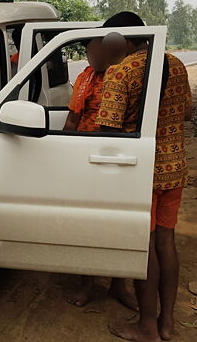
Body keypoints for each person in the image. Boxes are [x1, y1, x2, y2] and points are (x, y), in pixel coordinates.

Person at [95, 12, 193, 342]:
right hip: (174, 168)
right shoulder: (176, 64)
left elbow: (106, 132)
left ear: (120, 41)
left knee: (143, 246)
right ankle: (167, 323)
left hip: (139, 173)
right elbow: (188, 112)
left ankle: (146, 327)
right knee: (166, 242)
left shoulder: (121, 71)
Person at [64, 34, 136, 310]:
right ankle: (87, 283)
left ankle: (120, 285)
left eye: (97, 51)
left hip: (119, 157)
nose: (94, 57)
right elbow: (73, 118)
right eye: (90, 53)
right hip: (88, 156)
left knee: (119, 223)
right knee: (87, 224)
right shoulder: (85, 78)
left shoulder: (125, 76)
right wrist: (64, 152)